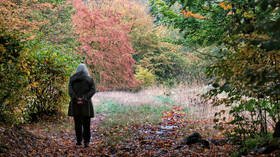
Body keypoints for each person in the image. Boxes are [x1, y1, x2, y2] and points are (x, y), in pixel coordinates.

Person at [68, 63, 96, 147]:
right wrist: (84, 98)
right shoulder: (89, 79)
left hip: (75, 104)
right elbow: (93, 90)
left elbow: (70, 91)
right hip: (86, 105)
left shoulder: (72, 79)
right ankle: (86, 142)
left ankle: (79, 141)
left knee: (77, 123)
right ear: (85, 70)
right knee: (86, 124)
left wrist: (76, 98)